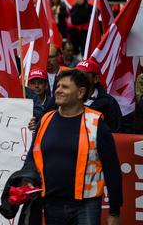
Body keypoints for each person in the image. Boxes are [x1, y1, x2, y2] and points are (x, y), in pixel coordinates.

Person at [22, 69, 122, 224]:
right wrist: (27, 179)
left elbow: (112, 170)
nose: (58, 90)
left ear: (81, 92)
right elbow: (32, 156)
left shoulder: (96, 124)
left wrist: (114, 212)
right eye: (58, 86)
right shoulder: (45, 120)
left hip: (86, 205)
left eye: (65, 87)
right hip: (51, 204)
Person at [76, 60, 123, 132]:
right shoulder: (66, 99)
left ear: (95, 79)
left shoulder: (109, 103)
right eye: (75, 75)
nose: (77, 79)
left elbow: (116, 132)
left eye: (83, 75)